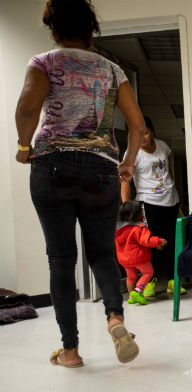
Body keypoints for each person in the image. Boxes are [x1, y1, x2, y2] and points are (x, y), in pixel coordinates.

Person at [14, 0, 145, 367]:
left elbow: (27, 109)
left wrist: (24, 147)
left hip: (52, 165)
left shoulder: (43, 62)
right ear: (91, 30)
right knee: (103, 253)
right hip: (101, 168)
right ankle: (116, 318)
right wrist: (129, 162)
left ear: (53, 30)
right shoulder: (112, 69)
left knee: (60, 259)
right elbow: (137, 126)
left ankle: (70, 350)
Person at [120, 116, 182, 296]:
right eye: (137, 135)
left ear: (151, 130)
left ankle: (173, 280)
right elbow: (125, 182)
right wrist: (127, 209)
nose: (142, 138)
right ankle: (150, 282)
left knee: (172, 242)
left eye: (145, 133)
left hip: (170, 200)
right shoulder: (132, 154)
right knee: (149, 244)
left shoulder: (163, 146)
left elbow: (166, 171)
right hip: (148, 203)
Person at [115, 200, 167, 305]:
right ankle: (137, 291)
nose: (143, 213)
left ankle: (131, 297)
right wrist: (159, 241)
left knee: (131, 277)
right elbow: (146, 241)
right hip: (138, 258)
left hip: (124, 259)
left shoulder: (118, 228)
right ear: (136, 214)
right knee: (148, 272)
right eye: (141, 211)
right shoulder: (140, 227)